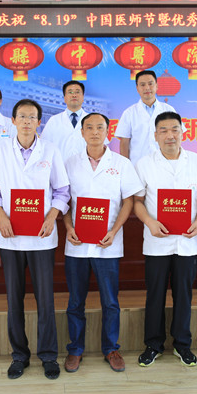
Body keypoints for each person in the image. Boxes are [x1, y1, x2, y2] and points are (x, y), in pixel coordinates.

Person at [0, 99, 70, 380]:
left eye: (32, 117)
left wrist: (52, 216)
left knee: (45, 299)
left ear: (39, 122)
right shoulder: (0, 149)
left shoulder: (50, 150)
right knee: (14, 298)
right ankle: (19, 355)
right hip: (10, 236)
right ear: (13, 121)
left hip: (42, 236)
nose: (27, 121)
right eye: (22, 116)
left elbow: (63, 190)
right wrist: (0, 215)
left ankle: (48, 356)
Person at [133, 112, 197, 368]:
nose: (170, 135)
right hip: (157, 241)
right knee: (155, 295)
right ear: (155, 135)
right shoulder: (144, 163)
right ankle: (153, 345)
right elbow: (137, 201)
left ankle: (182, 344)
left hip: (187, 241)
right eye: (164, 130)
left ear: (183, 132)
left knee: (184, 295)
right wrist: (150, 222)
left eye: (175, 129)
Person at [62, 113, 143, 374]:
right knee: (76, 301)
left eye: (100, 127)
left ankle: (111, 348)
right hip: (77, 244)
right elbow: (63, 199)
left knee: (110, 301)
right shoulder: (69, 163)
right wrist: (68, 227)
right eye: (89, 127)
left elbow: (129, 200)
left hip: (108, 243)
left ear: (108, 131)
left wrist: (115, 230)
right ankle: (75, 349)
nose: (95, 132)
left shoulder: (121, 163)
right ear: (82, 133)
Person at [116, 70, 181, 165]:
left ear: (156, 86)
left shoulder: (168, 109)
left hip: (165, 164)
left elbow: (177, 136)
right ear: (137, 88)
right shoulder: (129, 113)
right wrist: (126, 167)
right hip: (137, 166)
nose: (147, 88)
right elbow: (124, 143)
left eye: (150, 84)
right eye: (142, 85)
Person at [41, 80, 107, 161]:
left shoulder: (95, 120)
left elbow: (102, 147)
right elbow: (44, 146)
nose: (74, 95)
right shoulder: (54, 121)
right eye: (70, 92)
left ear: (83, 97)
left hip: (87, 166)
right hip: (60, 167)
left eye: (77, 92)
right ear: (64, 98)